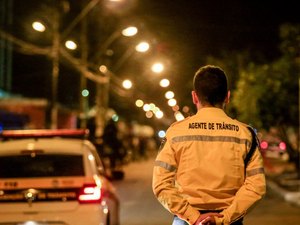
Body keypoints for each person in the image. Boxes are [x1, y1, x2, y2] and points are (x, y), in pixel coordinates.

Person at [152, 65, 266, 225]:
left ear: (194, 97)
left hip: (186, 221)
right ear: (227, 96)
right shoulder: (245, 134)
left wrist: (193, 217)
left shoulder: (176, 132)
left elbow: (161, 184)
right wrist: (224, 218)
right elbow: (256, 186)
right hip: (230, 221)